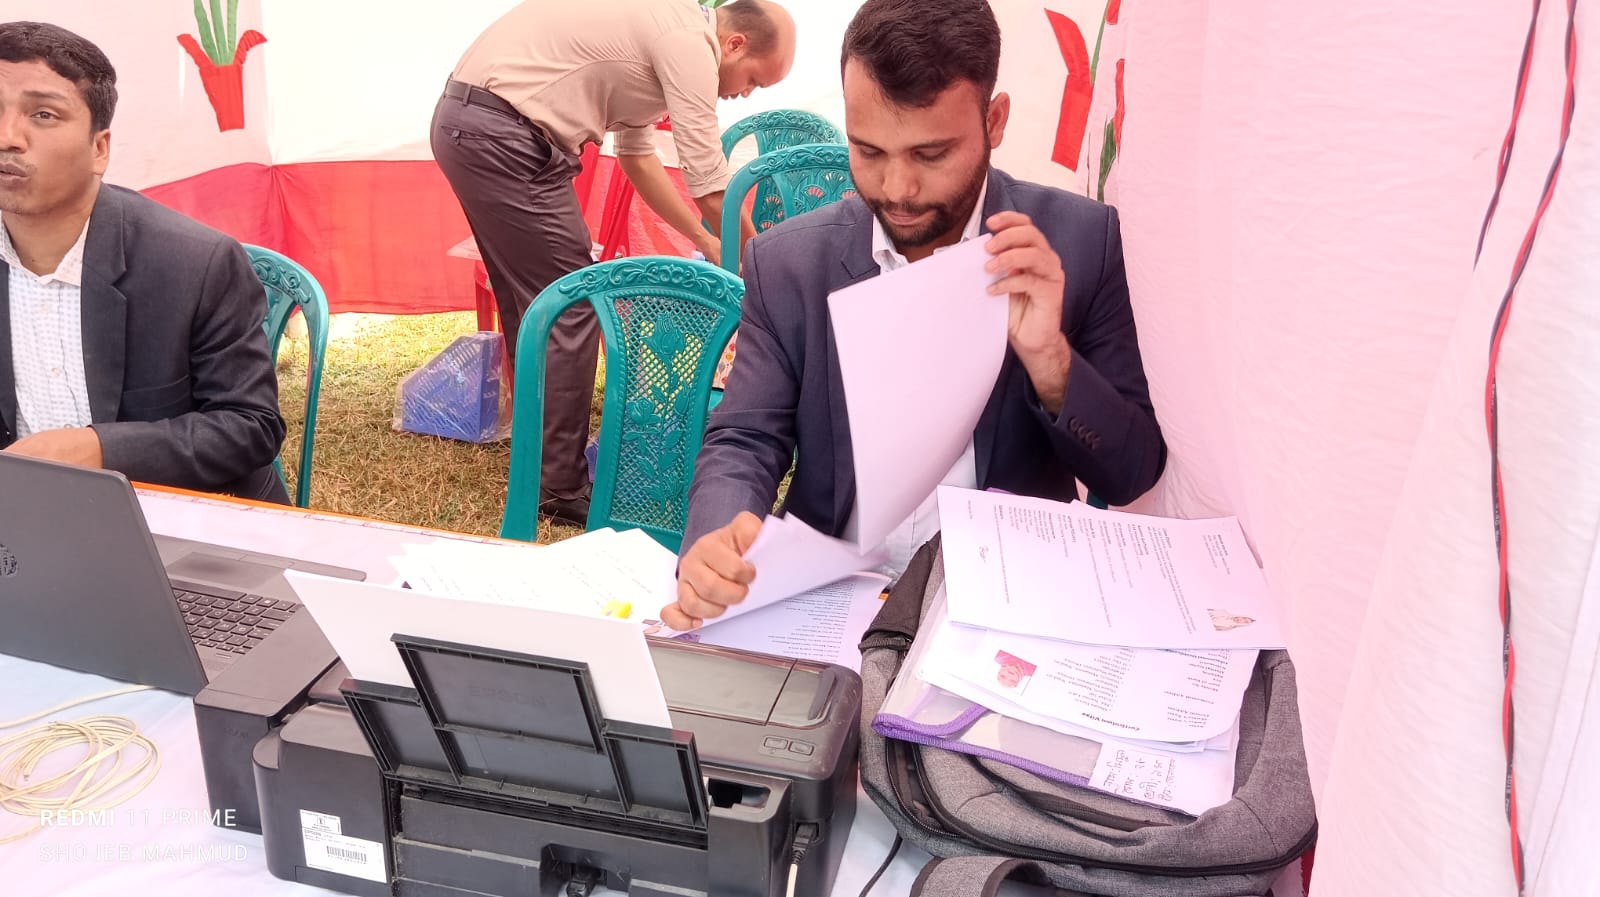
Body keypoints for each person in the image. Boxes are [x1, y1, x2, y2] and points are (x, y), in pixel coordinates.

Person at [663, 0, 1166, 631]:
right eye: (868, 151)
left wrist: (1050, 361)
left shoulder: (1078, 243)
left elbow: (1131, 473)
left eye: (931, 154)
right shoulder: (790, 262)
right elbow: (745, 438)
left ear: (995, 120)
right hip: (828, 600)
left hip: (1003, 611)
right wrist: (716, 540)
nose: (897, 189)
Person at [432, 0, 796, 526]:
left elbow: (637, 157)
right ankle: (557, 486)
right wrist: (769, 263)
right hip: (505, 134)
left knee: (533, 306)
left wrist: (702, 237)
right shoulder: (691, 42)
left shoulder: (663, 32)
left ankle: (537, 462)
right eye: (754, 80)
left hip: (471, 123)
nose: (745, 93)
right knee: (570, 305)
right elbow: (710, 179)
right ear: (734, 43)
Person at [0, 23, 287, 502]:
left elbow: (249, 426)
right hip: (22, 514)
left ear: (99, 149)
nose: (7, 137)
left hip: (179, 514)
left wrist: (98, 449)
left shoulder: (196, 263)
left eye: (43, 114)